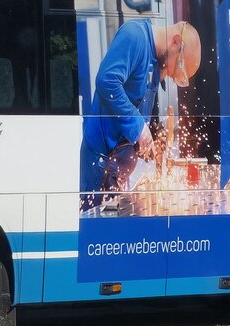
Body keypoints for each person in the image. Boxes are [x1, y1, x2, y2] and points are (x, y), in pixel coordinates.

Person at [80, 19, 201, 211]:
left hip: (118, 174)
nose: (171, 74)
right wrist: (138, 128)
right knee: (98, 234)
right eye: (177, 67)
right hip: (101, 168)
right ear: (176, 42)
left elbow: (136, 110)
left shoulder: (154, 62)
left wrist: (152, 140)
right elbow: (107, 81)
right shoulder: (134, 36)